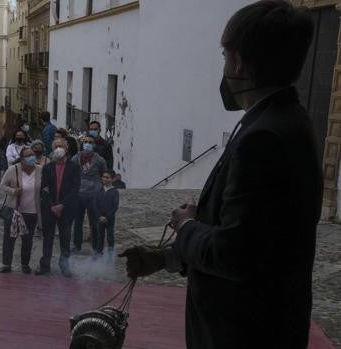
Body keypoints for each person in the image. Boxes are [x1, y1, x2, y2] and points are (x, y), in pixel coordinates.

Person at [119, 2, 321, 349]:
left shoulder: (263, 138)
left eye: (225, 56)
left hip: (241, 334)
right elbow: (258, 239)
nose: (225, 67)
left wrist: (185, 226)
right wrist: (168, 256)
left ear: (239, 61)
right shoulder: (283, 120)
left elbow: (236, 254)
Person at [35, 138, 80, 277]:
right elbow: (44, 188)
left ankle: (64, 266)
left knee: (65, 239)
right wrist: (52, 206)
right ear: (53, 149)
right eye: (56, 146)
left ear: (66, 148)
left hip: (66, 209)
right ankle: (45, 265)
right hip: (49, 208)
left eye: (61, 146)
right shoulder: (48, 167)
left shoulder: (74, 167)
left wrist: (62, 205)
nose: (58, 148)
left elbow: (75, 189)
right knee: (47, 238)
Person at [0, 147, 42, 274]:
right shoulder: (13, 169)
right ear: (22, 159)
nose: (31, 157)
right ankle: (6, 264)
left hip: (32, 211)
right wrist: (13, 191)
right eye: (28, 155)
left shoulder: (40, 170)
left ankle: (25, 264)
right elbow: (3, 185)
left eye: (32, 155)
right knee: (9, 238)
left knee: (27, 239)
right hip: (14, 209)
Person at [71, 135, 107, 253]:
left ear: (94, 145)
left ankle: (97, 248)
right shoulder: (75, 158)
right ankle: (77, 246)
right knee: (77, 223)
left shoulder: (100, 160)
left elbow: (104, 176)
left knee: (95, 223)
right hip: (78, 196)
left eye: (90, 142)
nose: (87, 144)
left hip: (94, 197)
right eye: (85, 141)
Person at [94, 170, 119, 255]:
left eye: (107, 177)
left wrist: (107, 217)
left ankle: (110, 254)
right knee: (100, 236)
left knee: (110, 237)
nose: (104, 179)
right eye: (103, 177)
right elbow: (95, 204)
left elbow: (115, 207)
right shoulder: (99, 190)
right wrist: (99, 216)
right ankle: (98, 252)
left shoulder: (115, 192)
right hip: (99, 218)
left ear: (112, 179)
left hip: (110, 219)